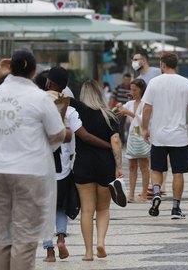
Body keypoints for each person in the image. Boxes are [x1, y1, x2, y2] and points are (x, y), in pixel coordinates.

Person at [0, 50, 66, 270]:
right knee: (25, 237)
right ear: (33, 69)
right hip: (29, 171)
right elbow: (58, 133)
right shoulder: (39, 98)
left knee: (1, 236)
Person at [142, 52, 188, 219]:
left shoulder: (154, 82)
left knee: (156, 169)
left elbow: (147, 108)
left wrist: (146, 128)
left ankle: (156, 193)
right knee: (178, 172)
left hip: (159, 135)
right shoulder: (186, 83)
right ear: (176, 64)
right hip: (179, 136)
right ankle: (176, 208)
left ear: (162, 64)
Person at [72, 80, 123, 261]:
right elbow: (115, 141)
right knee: (103, 208)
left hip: (83, 164)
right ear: (100, 95)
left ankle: (88, 252)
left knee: (87, 209)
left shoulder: (76, 113)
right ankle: (101, 242)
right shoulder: (110, 116)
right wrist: (119, 166)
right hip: (105, 165)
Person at [116, 78, 151, 203]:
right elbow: (123, 110)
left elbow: (144, 120)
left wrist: (128, 113)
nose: (133, 91)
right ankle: (131, 193)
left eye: (135, 89)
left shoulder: (146, 103)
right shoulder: (130, 103)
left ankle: (144, 194)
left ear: (141, 90)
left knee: (144, 166)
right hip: (132, 137)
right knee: (131, 166)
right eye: (131, 89)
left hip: (142, 136)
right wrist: (120, 107)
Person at [109, 73, 132, 144]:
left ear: (130, 80)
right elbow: (112, 98)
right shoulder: (118, 87)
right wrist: (110, 110)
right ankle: (122, 141)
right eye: (125, 79)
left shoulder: (132, 88)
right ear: (123, 79)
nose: (126, 81)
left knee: (129, 126)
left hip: (129, 110)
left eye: (128, 80)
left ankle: (127, 141)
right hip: (119, 110)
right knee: (120, 125)